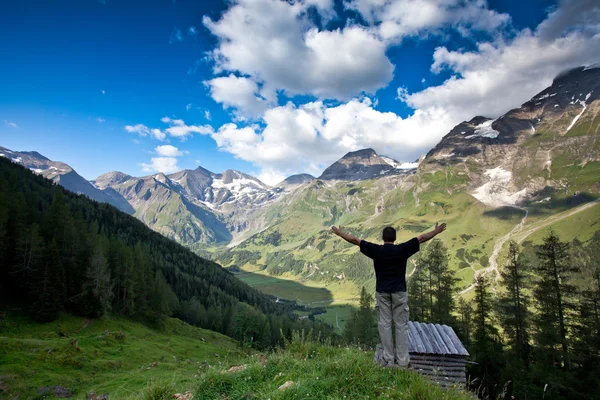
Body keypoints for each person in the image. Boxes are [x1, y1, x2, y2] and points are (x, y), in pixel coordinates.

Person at [331, 222, 447, 368]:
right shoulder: (402, 249)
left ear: (383, 238)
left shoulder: (376, 250)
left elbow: (355, 240)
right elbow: (422, 238)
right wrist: (436, 231)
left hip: (382, 292)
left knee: (384, 325)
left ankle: (388, 359)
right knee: (401, 326)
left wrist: (340, 234)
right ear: (395, 238)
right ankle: (403, 361)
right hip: (399, 292)